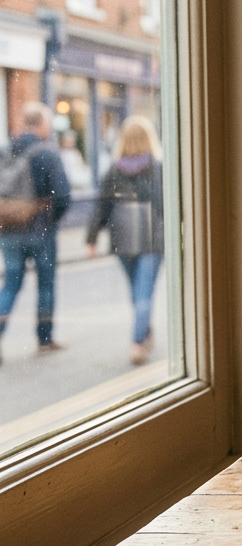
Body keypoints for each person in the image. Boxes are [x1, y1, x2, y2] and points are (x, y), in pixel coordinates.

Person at [86, 117, 165, 365]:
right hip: (152, 238)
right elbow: (165, 206)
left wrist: (91, 239)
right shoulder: (158, 169)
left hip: (121, 238)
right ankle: (138, 342)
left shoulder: (114, 170)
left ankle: (141, 334)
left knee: (137, 292)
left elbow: (102, 207)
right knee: (144, 292)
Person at [0, 102, 72, 359]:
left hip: (9, 229)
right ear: (41, 125)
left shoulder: (5, 152)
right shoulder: (47, 154)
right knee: (46, 285)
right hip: (41, 229)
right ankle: (44, 339)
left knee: (11, 284)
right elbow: (62, 196)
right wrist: (51, 218)